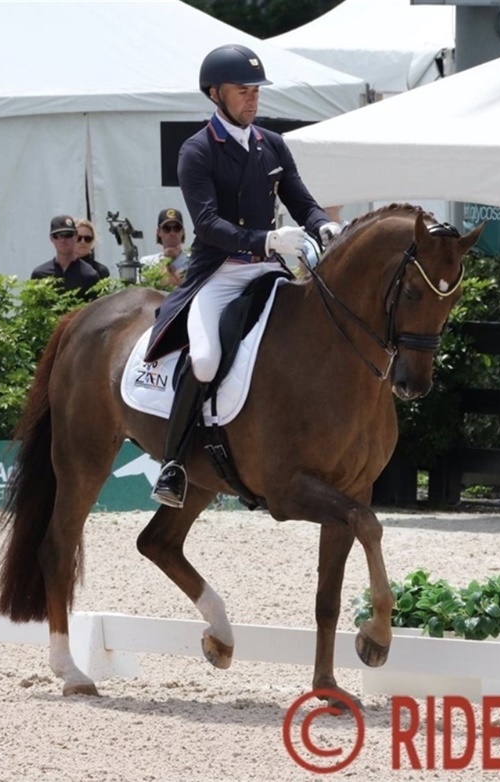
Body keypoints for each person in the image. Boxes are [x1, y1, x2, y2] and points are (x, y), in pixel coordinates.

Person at [142, 43, 340, 508]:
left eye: (256, 91)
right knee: (206, 360)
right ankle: (173, 464)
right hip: (219, 272)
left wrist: (323, 225)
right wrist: (267, 240)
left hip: (268, 270)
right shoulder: (197, 151)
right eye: (242, 91)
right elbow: (208, 224)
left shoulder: (271, 144)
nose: (252, 99)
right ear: (215, 93)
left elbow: (300, 199)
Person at [31, 214, 109, 297]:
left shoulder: (90, 275)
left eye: (68, 234)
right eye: (57, 236)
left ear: (75, 236)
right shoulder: (39, 274)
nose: (63, 240)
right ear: (51, 239)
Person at [140, 208, 192, 289]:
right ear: (159, 232)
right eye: (166, 229)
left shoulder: (192, 262)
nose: (172, 233)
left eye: (177, 228)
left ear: (183, 231)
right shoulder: (147, 263)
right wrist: (165, 262)